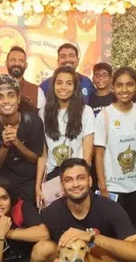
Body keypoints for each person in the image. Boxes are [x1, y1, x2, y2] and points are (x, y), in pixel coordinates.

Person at [36, 66, 95, 209]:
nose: (63, 87)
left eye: (69, 83)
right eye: (59, 83)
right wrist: (38, 185)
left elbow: (88, 152)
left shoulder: (86, 111)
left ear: (75, 87)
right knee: (55, 218)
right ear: (53, 86)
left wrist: (84, 176)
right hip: (53, 176)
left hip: (77, 174)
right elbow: (43, 155)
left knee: (79, 215)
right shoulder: (43, 112)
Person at [0, 74, 45, 204]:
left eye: (11, 95)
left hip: (29, 182)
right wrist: (5, 145)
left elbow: (34, 158)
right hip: (1, 184)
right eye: (0, 97)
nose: (6, 101)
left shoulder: (33, 121)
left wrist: (16, 142)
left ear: (18, 98)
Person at [94, 66, 136, 227]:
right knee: (112, 230)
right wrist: (103, 188)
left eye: (129, 84)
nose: (124, 90)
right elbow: (99, 155)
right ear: (113, 87)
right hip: (113, 187)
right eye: (119, 85)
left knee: (132, 229)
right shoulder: (104, 115)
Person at [0, 46, 46, 117]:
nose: (17, 63)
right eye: (13, 60)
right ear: (6, 63)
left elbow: (42, 120)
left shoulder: (37, 91)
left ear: (26, 65)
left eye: (21, 61)